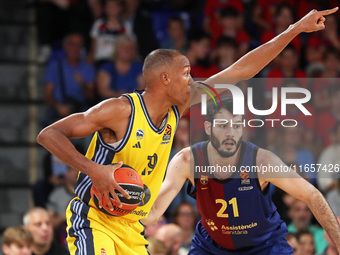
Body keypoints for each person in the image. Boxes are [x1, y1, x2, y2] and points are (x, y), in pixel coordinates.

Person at [36, 8, 337, 254]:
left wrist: (293, 30)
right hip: (95, 220)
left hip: (130, 227)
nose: (192, 81)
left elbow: (240, 71)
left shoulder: (176, 109)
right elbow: (48, 135)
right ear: (165, 78)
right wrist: (95, 171)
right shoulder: (119, 111)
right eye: (186, 73)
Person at [143, 95, 340, 254]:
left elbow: (312, 195)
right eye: (223, 126)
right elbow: (152, 215)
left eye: (236, 126)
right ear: (208, 128)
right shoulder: (187, 161)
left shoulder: (261, 162)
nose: (230, 133)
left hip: (264, 246)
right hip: (211, 247)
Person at [43, 33, 96, 126]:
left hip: (81, 110)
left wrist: (82, 84)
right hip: (59, 108)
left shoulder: (88, 68)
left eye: (78, 45)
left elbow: (91, 96)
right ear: (65, 47)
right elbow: (48, 94)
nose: (75, 48)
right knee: (49, 128)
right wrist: (58, 107)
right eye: (71, 44)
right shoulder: (55, 67)